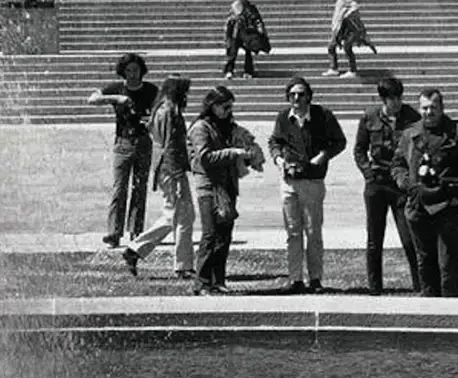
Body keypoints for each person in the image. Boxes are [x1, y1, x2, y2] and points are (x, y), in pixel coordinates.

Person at [391, 88, 458, 297]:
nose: (429, 112)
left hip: (446, 207)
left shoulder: (457, 133)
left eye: (433, 107)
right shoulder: (410, 133)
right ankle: (429, 309)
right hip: (418, 207)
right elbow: (397, 164)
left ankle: (454, 311)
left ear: (442, 108)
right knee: (424, 262)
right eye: (425, 108)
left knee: (448, 264)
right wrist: (406, 185)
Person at [268, 76, 347, 294]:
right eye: (292, 95)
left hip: (312, 181)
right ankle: (295, 279)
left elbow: (340, 142)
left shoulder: (323, 116)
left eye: (301, 94)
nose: (296, 99)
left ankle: (315, 279)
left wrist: (323, 156)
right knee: (293, 232)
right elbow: (275, 142)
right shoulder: (284, 118)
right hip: (289, 182)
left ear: (309, 96)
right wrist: (279, 160)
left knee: (313, 232)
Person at [187, 85, 260, 295]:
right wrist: (233, 153)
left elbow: (245, 139)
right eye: (225, 107)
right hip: (209, 187)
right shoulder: (200, 128)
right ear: (213, 106)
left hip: (228, 185)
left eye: (231, 107)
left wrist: (251, 152)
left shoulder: (227, 126)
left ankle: (218, 280)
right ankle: (201, 282)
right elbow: (205, 158)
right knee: (210, 235)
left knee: (224, 236)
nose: (229, 111)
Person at [353, 76, 422, 295]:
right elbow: (359, 149)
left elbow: (420, 146)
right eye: (392, 99)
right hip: (377, 183)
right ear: (383, 99)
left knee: (409, 238)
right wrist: (368, 173)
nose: (396, 103)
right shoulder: (369, 116)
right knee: (375, 239)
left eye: (399, 97)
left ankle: (421, 285)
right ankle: (375, 288)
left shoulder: (412, 117)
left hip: (400, 184)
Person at [123, 76, 196, 280]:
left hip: (166, 168)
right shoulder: (169, 112)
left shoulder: (161, 110)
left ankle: (136, 250)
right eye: (184, 92)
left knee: (175, 215)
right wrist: (178, 175)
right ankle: (183, 265)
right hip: (171, 170)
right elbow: (171, 145)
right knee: (183, 216)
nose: (186, 97)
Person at [88, 54, 158, 248]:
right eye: (128, 71)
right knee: (119, 188)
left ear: (141, 70)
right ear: (123, 72)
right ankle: (114, 232)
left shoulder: (151, 90)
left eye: (136, 70)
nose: (133, 75)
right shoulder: (117, 88)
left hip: (143, 141)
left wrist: (151, 121)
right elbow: (92, 99)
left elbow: (160, 112)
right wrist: (116, 98)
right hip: (123, 143)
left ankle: (136, 231)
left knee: (139, 187)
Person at [324, 0, 377, 78]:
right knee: (334, 47)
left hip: (345, 28)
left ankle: (349, 70)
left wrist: (347, 16)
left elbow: (354, 7)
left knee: (341, 47)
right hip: (340, 28)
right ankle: (335, 68)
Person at [222, 0, 270, 79]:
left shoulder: (251, 8)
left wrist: (260, 29)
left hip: (247, 34)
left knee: (248, 52)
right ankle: (229, 71)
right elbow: (228, 21)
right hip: (235, 33)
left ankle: (248, 71)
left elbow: (257, 19)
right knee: (232, 52)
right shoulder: (233, 8)